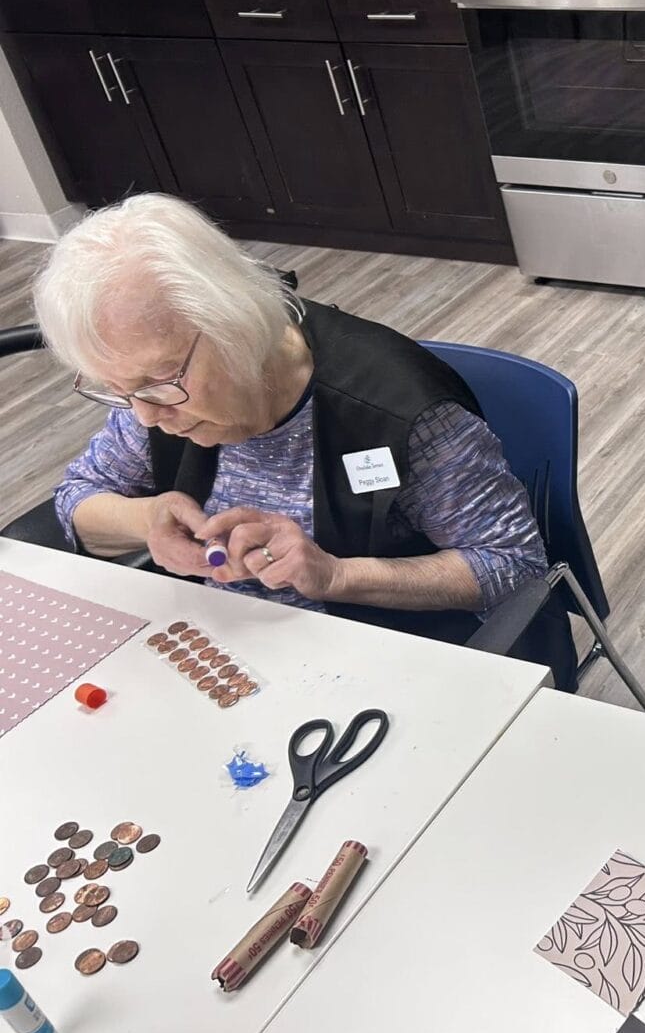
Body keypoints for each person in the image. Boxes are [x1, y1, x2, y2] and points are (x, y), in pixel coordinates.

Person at [34, 193, 575, 686]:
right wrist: (146, 519)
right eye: (117, 389)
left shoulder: (403, 415)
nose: (145, 416)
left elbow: (512, 565)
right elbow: (79, 497)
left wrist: (335, 574)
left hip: (395, 659)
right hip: (237, 656)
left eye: (160, 381)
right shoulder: (152, 394)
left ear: (234, 325)